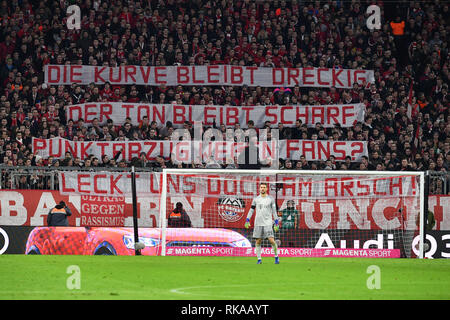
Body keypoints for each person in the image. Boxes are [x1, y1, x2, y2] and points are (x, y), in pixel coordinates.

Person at [244, 183, 280, 264]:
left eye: (264, 187)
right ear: (259, 189)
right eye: (261, 187)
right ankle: (259, 259)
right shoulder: (256, 199)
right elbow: (251, 210)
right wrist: (247, 219)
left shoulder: (271, 199)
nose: (262, 189)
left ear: (267, 189)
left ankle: (276, 256)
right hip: (258, 223)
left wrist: (276, 222)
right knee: (258, 241)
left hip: (268, 223)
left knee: (271, 240)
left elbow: (274, 211)